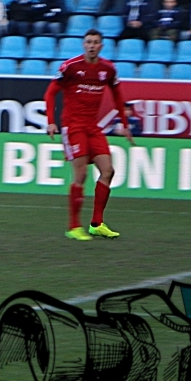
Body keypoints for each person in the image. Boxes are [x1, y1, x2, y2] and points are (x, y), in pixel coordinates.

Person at [43, 29, 134, 242]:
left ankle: (96, 224)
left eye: (95, 42)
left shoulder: (108, 69)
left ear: (101, 46)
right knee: (81, 174)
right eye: (88, 42)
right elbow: (50, 93)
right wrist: (50, 121)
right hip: (73, 126)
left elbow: (118, 96)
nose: (91, 45)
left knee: (108, 171)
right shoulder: (71, 67)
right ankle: (74, 226)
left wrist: (125, 123)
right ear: (84, 45)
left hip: (93, 127)